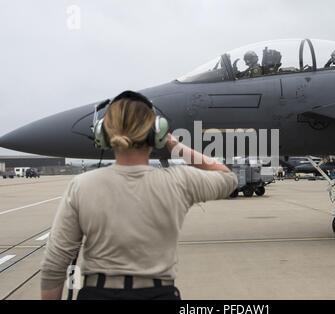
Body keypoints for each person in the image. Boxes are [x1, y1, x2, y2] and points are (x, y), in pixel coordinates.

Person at [40, 90, 238, 300]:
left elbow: (55, 263)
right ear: (157, 133)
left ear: (103, 134)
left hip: (97, 294)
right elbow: (228, 178)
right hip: (158, 294)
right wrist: (175, 145)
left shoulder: (81, 186)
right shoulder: (179, 181)